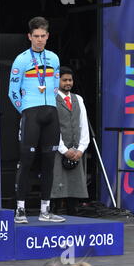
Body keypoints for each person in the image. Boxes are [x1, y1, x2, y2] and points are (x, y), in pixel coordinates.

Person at [8, 16, 65, 224]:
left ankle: (45, 210)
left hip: (51, 114)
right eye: (36, 36)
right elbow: (13, 92)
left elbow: (55, 85)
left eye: (43, 36)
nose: (40, 40)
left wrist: (50, 103)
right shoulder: (21, 59)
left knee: (49, 162)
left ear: (47, 36)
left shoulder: (54, 58)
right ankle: (20, 209)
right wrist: (25, 110)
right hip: (31, 115)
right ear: (29, 36)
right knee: (27, 161)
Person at [51, 67, 90, 215]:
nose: (68, 83)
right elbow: (53, 127)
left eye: (70, 80)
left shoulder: (78, 99)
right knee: (56, 184)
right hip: (59, 149)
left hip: (76, 150)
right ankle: (53, 212)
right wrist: (64, 150)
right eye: (65, 80)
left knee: (75, 185)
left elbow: (83, 125)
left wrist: (81, 149)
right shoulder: (52, 99)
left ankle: (73, 212)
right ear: (58, 81)